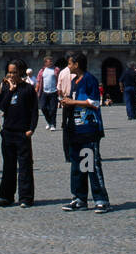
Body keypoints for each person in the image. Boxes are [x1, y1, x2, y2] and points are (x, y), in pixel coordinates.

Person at [59, 51, 110, 212]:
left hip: (89, 127)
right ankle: (79, 198)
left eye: (69, 64)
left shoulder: (89, 80)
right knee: (77, 165)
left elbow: (95, 102)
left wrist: (73, 101)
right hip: (75, 128)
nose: (68, 66)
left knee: (91, 165)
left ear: (77, 64)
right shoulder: (75, 81)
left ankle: (101, 199)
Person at [0, 59, 38, 207]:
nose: (11, 75)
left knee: (25, 166)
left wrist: (31, 128)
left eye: (14, 72)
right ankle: (6, 196)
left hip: (22, 132)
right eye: (9, 72)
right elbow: (0, 106)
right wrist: (8, 91)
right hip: (8, 132)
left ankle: (26, 197)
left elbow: (33, 110)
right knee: (8, 165)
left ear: (20, 72)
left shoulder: (28, 89)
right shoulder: (6, 88)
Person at [36, 56, 60, 130]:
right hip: (44, 92)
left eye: (51, 61)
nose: (51, 62)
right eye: (49, 61)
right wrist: (36, 90)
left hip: (53, 91)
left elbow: (59, 79)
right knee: (43, 107)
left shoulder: (56, 70)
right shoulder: (42, 71)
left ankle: (53, 124)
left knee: (53, 109)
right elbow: (38, 81)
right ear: (45, 62)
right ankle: (49, 121)